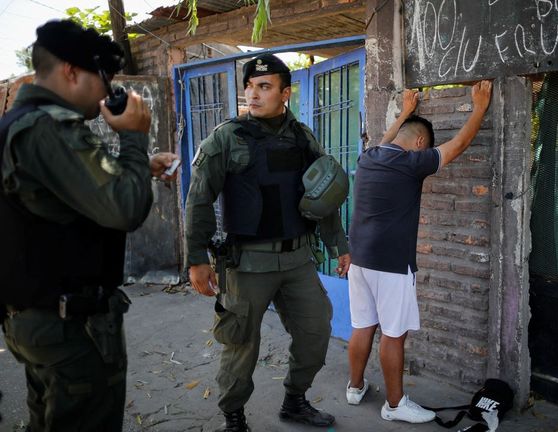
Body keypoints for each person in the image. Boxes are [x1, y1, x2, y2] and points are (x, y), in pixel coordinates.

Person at [0, 19, 178, 432]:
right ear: (71, 71)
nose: (106, 93)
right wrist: (135, 139)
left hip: (37, 318)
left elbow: (57, 197)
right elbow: (124, 209)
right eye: (104, 79)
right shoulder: (49, 128)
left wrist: (137, 168)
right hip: (68, 328)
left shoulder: (18, 123)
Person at [185, 52, 351, 431]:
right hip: (247, 264)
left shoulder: (302, 136)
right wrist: (197, 258)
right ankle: (234, 417)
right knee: (241, 345)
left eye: (264, 87)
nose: (253, 94)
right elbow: (198, 200)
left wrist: (338, 245)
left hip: (297, 260)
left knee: (315, 332)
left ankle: (295, 400)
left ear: (285, 93)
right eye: (249, 87)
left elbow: (323, 195)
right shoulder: (225, 138)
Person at [345, 81, 493, 423]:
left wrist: (406, 112)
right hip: (392, 264)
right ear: (421, 143)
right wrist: (479, 109)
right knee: (393, 334)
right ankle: (394, 405)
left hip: (360, 260)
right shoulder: (413, 164)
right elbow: (458, 145)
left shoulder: (369, 157)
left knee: (362, 325)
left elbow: (386, 138)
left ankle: (354, 389)